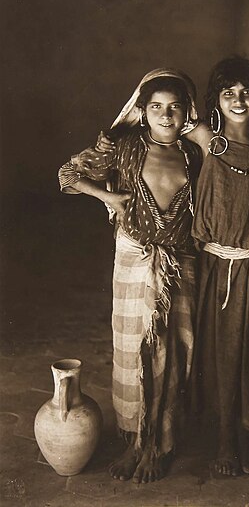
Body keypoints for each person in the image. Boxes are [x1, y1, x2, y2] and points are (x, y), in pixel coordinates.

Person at [58, 69, 202, 483]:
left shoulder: (195, 154)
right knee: (134, 350)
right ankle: (136, 443)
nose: (165, 114)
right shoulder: (123, 146)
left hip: (180, 262)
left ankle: (160, 444)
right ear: (142, 110)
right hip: (135, 259)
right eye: (156, 106)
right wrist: (107, 196)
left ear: (186, 111)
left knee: (175, 352)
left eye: (175, 107)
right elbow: (67, 176)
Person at [184, 56, 249, 477]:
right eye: (229, 93)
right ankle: (226, 438)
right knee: (222, 354)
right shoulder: (207, 139)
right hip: (217, 269)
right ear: (216, 101)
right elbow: (146, 105)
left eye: (247, 92)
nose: (239, 100)